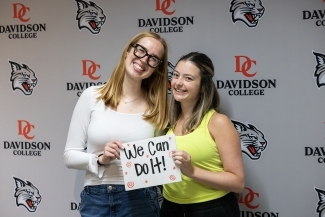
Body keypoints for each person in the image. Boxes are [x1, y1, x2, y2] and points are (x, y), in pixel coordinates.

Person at [63, 31, 169, 217]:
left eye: (153, 58)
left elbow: (157, 167)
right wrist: (99, 159)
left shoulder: (158, 108)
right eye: (140, 50)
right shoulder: (92, 96)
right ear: (128, 51)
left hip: (140, 198)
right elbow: (69, 156)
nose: (144, 60)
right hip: (96, 198)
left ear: (156, 68)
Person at [160, 52, 245, 217]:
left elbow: (238, 182)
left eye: (188, 78)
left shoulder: (218, 122)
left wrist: (192, 171)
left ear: (203, 86)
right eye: (176, 75)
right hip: (171, 208)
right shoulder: (168, 122)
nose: (178, 83)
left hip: (210, 209)